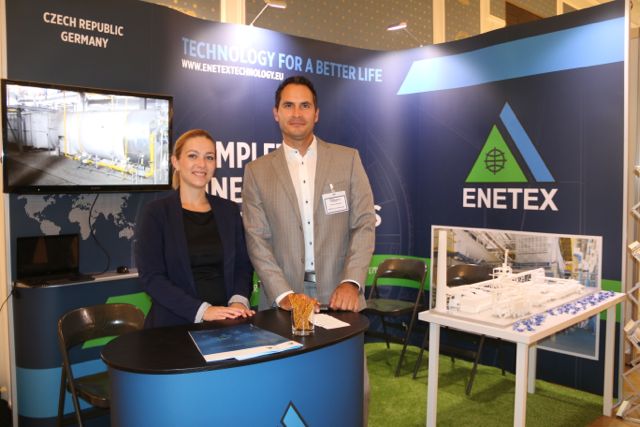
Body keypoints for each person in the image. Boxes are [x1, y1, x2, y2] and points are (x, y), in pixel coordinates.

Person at [241, 76, 375, 425]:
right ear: (276, 113)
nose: (297, 113)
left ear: (317, 113)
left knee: (352, 391)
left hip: (339, 298)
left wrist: (352, 282)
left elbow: (364, 224)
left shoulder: (347, 159)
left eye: (305, 105)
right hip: (283, 302)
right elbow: (257, 238)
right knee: (283, 394)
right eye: (288, 105)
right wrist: (284, 294)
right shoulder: (256, 171)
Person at [135, 129, 254, 328]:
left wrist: (238, 301)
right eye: (192, 156)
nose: (202, 164)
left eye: (209, 157)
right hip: (174, 326)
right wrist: (203, 311)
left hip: (226, 322)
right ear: (175, 162)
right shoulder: (156, 213)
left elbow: (243, 265)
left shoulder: (229, 210)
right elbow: (152, 278)